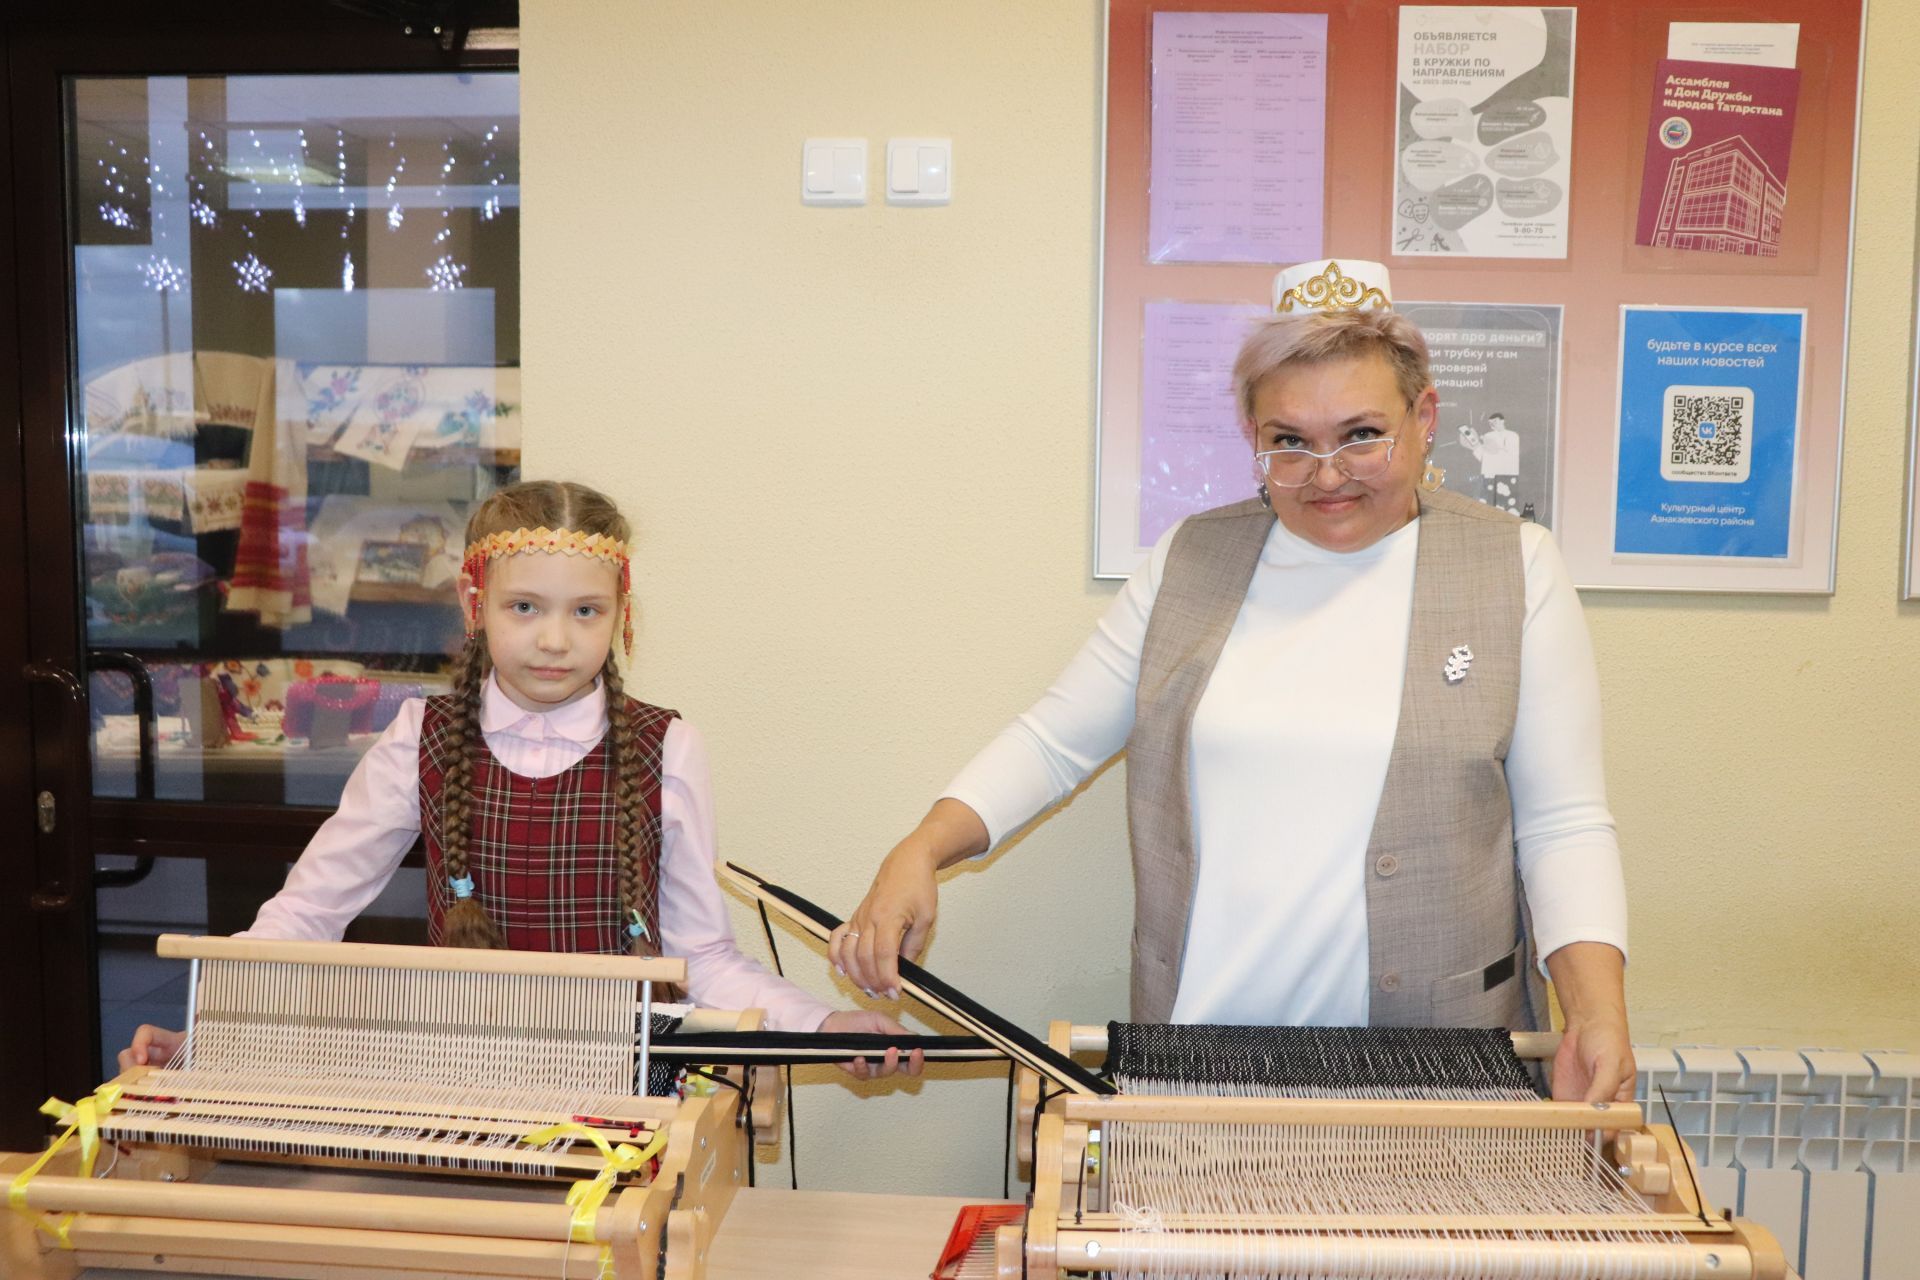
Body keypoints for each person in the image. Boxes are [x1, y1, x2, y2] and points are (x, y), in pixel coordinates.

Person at [833, 259, 1632, 1102]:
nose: (1327, 474)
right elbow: (1053, 740)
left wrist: (1597, 1010)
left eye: (1361, 434)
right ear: (1253, 436)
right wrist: (919, 849)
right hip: (1204, 1060)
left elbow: (1564, 823)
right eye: (1290, 442)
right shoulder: (1191, 560)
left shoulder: (1514, 567)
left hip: (1435, 1067)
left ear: (1424, 417)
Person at [124, 480, 919, 1082]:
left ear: (621, 615)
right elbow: (309, 910)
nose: (554, 639)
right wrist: (209, 1034)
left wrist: (823, 1025)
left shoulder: (666, 747)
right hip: (459, 1086)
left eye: (585, 612)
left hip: (624, 1095)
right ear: (476, 605)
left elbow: (702, 956)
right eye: (526, 606)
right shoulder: (420, 739)